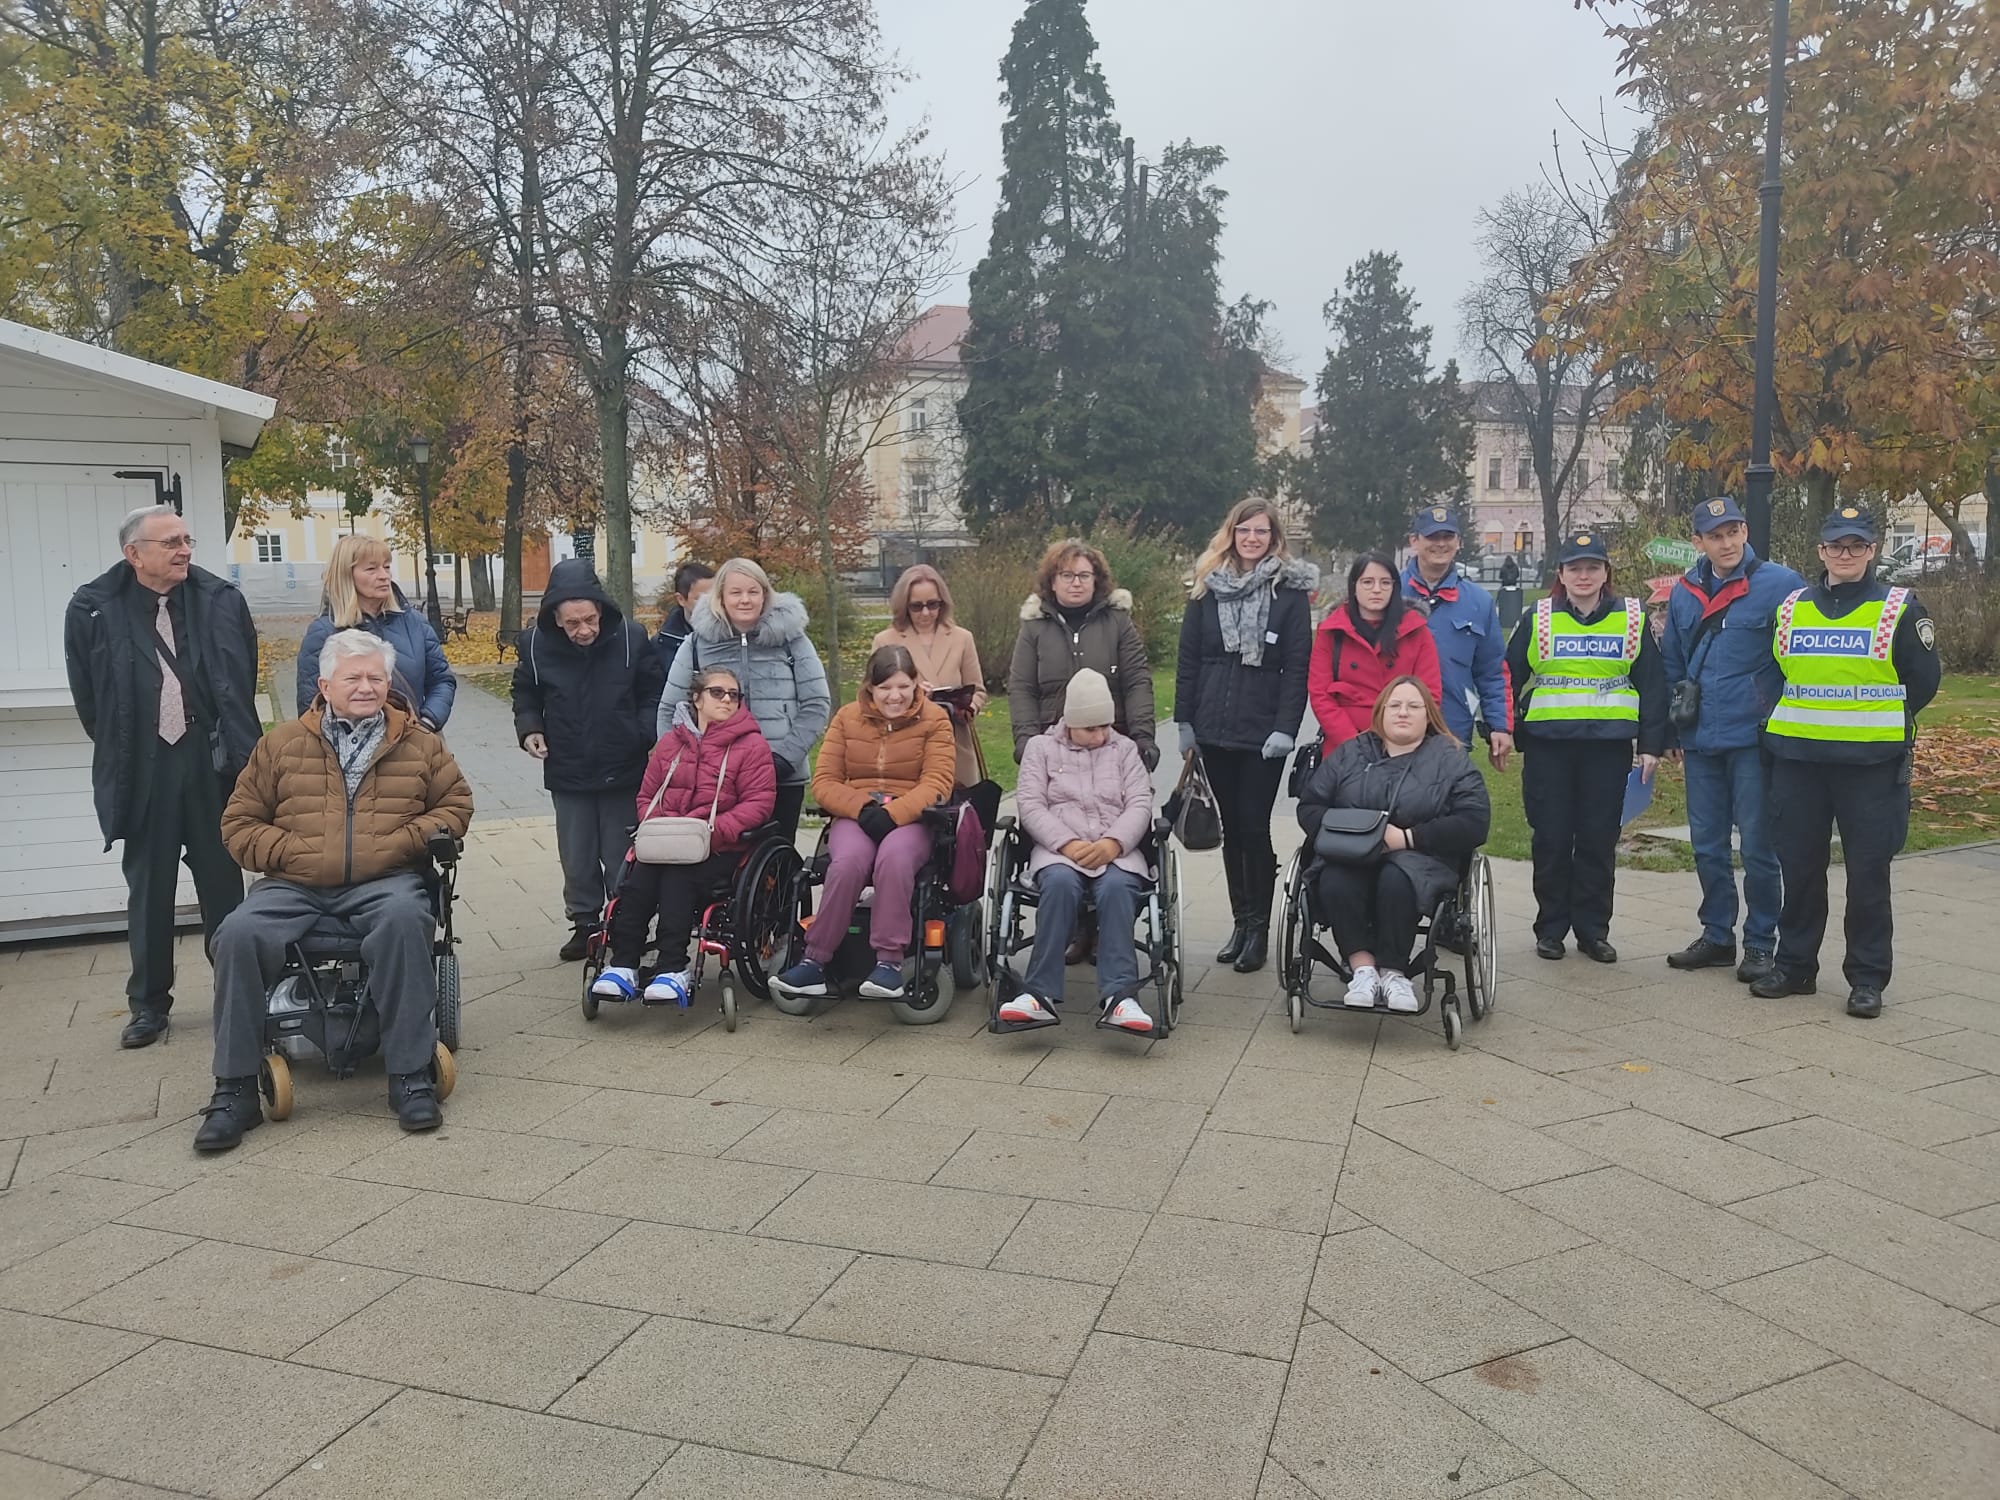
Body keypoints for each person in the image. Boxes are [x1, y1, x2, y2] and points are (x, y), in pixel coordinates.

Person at [194, 630, 474, 1151]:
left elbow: (454, 808)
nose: (366, 687)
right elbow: (238, 822)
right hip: (294, 884)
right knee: (237, 933)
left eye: (375, 677)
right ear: (324, 684)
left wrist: (397, 845)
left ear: (389, 682)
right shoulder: (280, 744)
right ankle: (233, 1090)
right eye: (353, 677)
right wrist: (293, 855)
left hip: (385, 880)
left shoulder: (420, 744)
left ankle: (409, 1075)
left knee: (405, 921)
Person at [64, 504, 260, 1050]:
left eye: (186, 538)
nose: (184, 549)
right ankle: (149, 1005)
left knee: (224, 886)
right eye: (170, 541)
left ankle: (238, 994)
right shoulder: (94, 608)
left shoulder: (221, 599)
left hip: (211, 760)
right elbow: (89, 700)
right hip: (144, 763)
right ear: (134, 554)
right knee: (149, 889)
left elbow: (242, 672)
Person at [1752, 507, 1940, 1017]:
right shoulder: (1792, 608)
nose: (1846, 555)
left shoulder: (1900, 608)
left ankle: (1867, 979)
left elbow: (1922, 680)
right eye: (1837, 546)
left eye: (1856, 546)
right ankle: (1794, 967)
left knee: (1868, 875)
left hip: (1871, 765)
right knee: (1801, 870)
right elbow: (1770, 673)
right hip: (1798, 761)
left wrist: (1878, 722)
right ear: (1821, 551)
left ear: (1872, 550)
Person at [1659, 496, 1807, 982]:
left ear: (1744, 531)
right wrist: (1673, 728)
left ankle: (1761, 942)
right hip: (1700, 738)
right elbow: (1674, 665)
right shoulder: (1684, 592)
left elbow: (1797, 658)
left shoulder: (1781, 585)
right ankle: (1718, 935)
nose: (1726, 543)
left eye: (1733, 532)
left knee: (1759, 847)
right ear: (1697, 542)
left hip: (1753, 738)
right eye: (1714, 535)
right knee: (1707, 845)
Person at [1506, 530, 1669, 963]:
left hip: (1606, 749)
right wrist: (1507, 728)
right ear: (1560, 573)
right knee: (1552, 839)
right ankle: (1551, 929)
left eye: (1592, 567)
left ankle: (1594, 931)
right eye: (1575, 568)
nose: (1583, 575)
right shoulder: (1537, 617)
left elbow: (1653, 685)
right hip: (1549, 748)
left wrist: (1651, 745)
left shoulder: (1631, 616)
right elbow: (1508, 676)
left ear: (1605, 572)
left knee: (1598, 841)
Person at [1176, 497, 1318, 973]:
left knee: (1255, 827)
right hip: (1213, 723)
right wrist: (1184, 722)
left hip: (1263, 731)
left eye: (1260, 531)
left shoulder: (1290, 594)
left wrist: (1286, 728)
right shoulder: (1207, 590)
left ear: (1273, 537)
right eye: (1244, 531)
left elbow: (1298, 666)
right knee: (1231, 829)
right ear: (1231, 534)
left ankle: (1259, 926)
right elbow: (1189, 659)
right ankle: (1239, 921)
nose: (1252, 539)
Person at [771, 645, 955, 1001]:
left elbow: (937, 783)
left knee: (894, 860)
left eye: (903, 686)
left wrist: (893, 814)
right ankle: (814, 960)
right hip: (856, 813)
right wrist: (861, 808)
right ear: (870, 686)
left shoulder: (935, 720)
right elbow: (824, 781)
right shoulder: (847, 717)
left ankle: (888, 962)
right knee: (847, 864)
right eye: (885, 687)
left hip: (911, 815)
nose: (895, 696)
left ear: (916, 683)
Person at [1296, 676, 1490, 1012]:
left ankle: (1394, 973)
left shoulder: (1450, 759)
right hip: (1350, 854)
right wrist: (1350, 835)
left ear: (1428, 715)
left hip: (1420, 858)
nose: (1403, 713)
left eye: (1413, 706)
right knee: (1334, 880)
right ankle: (1363, 969)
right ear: (1380, 712)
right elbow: (1311, 806)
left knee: (1396, 880)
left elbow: (1474, 820)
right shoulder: (1351, 753)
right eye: (1395, 706)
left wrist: (1408, 837)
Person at [591, 666, 777, 1005]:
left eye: (733, 695)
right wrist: (664, 827)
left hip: (720, 847)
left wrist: (713, 831)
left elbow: (759, 803)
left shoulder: (752, 746)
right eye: (717, 693)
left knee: (678, 877)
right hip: (667, 841)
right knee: (639, 878)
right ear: (696, 698)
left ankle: (672, 967)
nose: (727, 700)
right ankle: (623, 965)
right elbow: (646, 795)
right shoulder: (670, 744)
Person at [512, 559, 666, 960]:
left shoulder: (631, 637)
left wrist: (644, 732)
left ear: (601, 610)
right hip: (568, 766)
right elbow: (525, 692)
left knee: (621, 852)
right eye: (572, 624)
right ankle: (585, 923)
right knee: (577, 854)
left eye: (590, 620)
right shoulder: (534, 644)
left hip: (624, 762)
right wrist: (530, 729)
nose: (584, 630)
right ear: (555, 620)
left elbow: (654, 691)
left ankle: (624, 922)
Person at [998, 670, 1159, 1035]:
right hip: (1059, 852)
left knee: (1118, 889)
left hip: (1117, 851)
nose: (1100, 735)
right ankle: (1038, 993)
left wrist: (1113, 843)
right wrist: (1066, 844)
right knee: (1058, 885)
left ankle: (1120, 996)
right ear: (1070, 721)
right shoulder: (1040, 749)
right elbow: (1031, 804)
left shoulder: (1124, 750)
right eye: (1091, 728)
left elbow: (1139, 803)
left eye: (1105, 726)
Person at [659, 557, 831, 848]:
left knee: (776, 866)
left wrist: (785, 759)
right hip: (715, 777)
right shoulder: (697, 644)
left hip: (781, 774)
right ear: (721, 597)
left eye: (753, 591)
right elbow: (669, 710)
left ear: (765, 594)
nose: (745, 600)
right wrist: (684, 765)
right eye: (736, 593)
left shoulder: (792, 640)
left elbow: (816, 703)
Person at [1010, 538, 1158, 770]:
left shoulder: (1118, 623)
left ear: (1096, 580)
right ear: (1053, 582)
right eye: (1067, 575)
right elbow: (1022, 688)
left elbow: (1137, 682)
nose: (1076, 583)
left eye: (1084, 576)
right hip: (1052, 749)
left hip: (1112, 744)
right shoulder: (1034, 628)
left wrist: (1143, 738)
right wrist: (1026, 744)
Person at [295, 534, 457, 729]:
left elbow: (442, 680)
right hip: (350, 752)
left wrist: (427, 723)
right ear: (346, 574)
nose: (384, 575)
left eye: (387, 566)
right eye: (372, 568)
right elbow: (311, 706)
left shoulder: (414, 623)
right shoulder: (323, 632)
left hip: (415, 745)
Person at [1402, 506, 1515, 768]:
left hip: (1452, 726)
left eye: (1448, 536)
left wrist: (1499, 725)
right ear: (1414, 541)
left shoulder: (1479, 602)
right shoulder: (1389, 593)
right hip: (1395, 726)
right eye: (1432, 537)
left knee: (1446, 806)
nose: (1441, 544)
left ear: (1459, 542)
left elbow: (1492, 671)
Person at [1309, 551, 1444, 749]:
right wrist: (1352, 742)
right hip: (1344, 746)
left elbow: (1430, 694)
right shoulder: (1331, 631)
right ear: (1354, 586)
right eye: (1367, 582)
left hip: (1403, 745)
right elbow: (1320, 694)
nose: (1377, 590)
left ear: (1394, 587)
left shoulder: (1416, 631)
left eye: (1385, 583)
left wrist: (1396, 740)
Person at [875, 563, 986, 788]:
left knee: (958, 815)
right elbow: (874, 698)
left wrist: (969, 707)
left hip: (955, 743)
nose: (926, 613)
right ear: (904, 606)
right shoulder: (885, 641)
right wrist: (912, 699)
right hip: (907, 746)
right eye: (917, 606)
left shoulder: (962, 638)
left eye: (933, 605)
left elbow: (978, 690)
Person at [654, 560, 715, 681]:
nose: (709, 604)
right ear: (681, 599)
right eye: (700, 598)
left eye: (714, 596)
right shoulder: (663, 644)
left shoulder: (730, 634)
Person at [1497, 553, 1524, 632]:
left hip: (1504, 586)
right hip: (1514, 585)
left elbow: (1500, 576)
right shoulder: (1515, 567)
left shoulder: (1503, 567)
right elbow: (1517, 575)